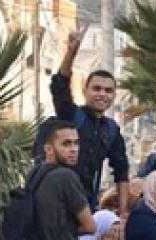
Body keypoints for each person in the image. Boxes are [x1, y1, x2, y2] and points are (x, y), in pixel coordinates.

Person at [47, 25, 130, 214]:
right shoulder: (71, 116)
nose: (102, 94)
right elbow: (59, 86)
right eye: (97, 88)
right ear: (85, 90)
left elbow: (122, 171)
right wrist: (71, 52)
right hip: (58, 202)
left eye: (108, 90)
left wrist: (124, 212)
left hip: (87, 205)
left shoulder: (111, 129)